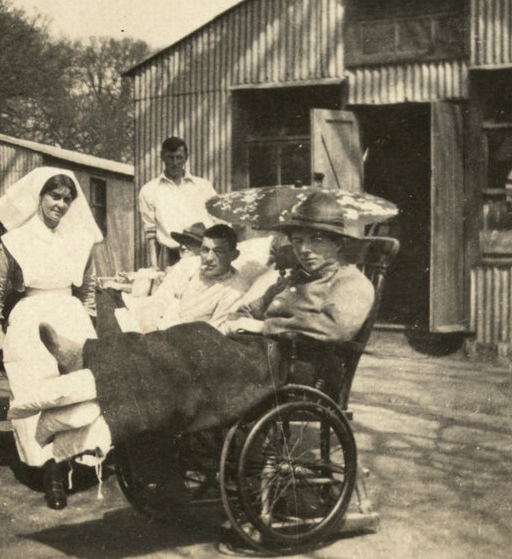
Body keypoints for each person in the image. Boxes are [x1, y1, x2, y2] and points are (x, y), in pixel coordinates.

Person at [27, 191, 376, 469]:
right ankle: (90, 358)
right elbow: (246, 309)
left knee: (192, 343)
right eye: (298, 241)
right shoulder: (295, 278)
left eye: (315, 240)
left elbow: (334, 330)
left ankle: (89, 360)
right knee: (184, 338)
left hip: (294, 367)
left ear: (338, 243)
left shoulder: (352, 283)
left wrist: (263, 324)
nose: (304, 249)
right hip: (257, 353)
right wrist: (268, 291)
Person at [0, 167, 105, 510]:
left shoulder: (80, 239)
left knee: (75, 389)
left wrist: (87, 325)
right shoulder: (17, 239)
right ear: (40, 197)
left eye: (67, 199)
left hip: (70, 315)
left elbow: (87, 288)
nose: (61, 205)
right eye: (55, 196)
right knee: (36, 387)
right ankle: (49, 469)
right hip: (30, 316)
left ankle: (71, 461)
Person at [124, 223, 248, 332]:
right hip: (149, 327)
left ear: (234, 255)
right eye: (205, 250)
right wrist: (149, 326)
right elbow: (159, 299)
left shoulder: (235, 292)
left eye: (218, 251)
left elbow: (213, 334)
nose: (209, 258)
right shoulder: (188, 265)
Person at [138, 136, 220, 270]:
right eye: (170, 157)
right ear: (162, 157)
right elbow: (151, 233)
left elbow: (218, 220)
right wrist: (154, 266)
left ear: (186, 158)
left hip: (204, 254)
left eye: (179, 157)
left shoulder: (203, 186)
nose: (175, 163)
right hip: (174, 257)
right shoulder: (149, 190)